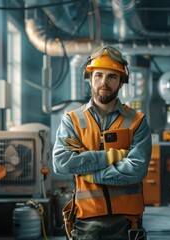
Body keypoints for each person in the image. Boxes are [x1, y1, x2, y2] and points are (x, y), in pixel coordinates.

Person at [53, 45, 152, 240]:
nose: (104, 82)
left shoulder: (137, 121)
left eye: (112, 76)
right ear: (89, 78)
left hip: (128, 223)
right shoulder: (72, 120)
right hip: (87, 221)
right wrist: (109, 157)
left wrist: (89, 173)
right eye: (98, 75)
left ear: (121, 82)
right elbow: (61, 163)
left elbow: (137, 169)